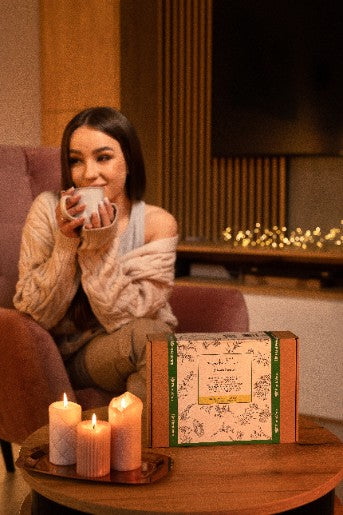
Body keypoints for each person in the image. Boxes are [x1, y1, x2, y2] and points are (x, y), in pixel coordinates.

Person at [13, 106, 178, 404]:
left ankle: (129, 444)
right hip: (71, 354)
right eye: (76, 161)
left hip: (130, 340)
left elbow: (131, 317)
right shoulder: (47, 210)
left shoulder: (157, 223)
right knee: (150, 342)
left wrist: (97, 248)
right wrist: (66, 242)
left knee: (154, 346)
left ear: (129, 159)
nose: (88, 174)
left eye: (103, 157)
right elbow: (37, 312)